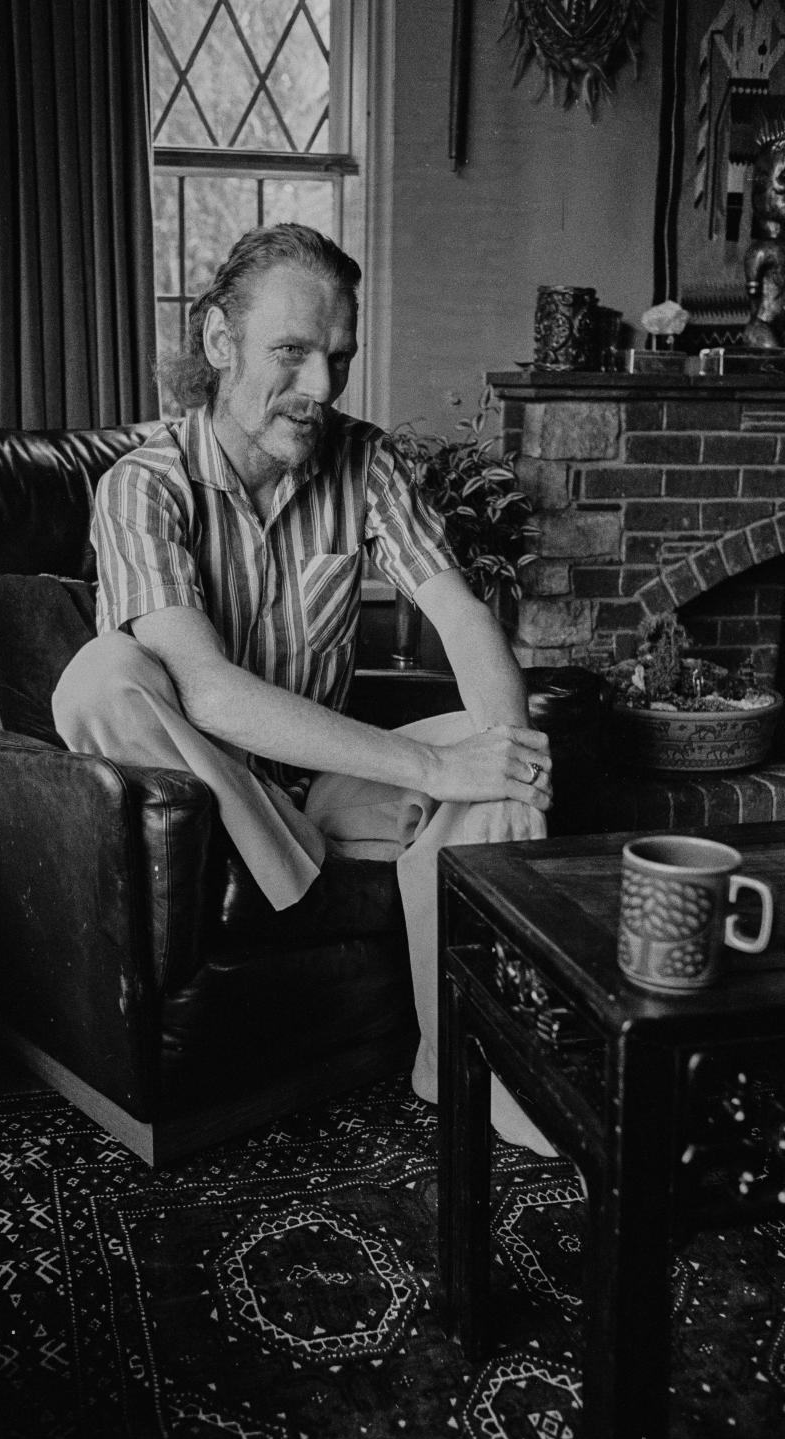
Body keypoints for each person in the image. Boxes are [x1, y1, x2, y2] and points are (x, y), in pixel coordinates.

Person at [52, 223, 554, 1152]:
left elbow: (460, 614)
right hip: (204, 798)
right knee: (103, 675)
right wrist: (432, 769)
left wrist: (510, 764)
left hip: (320, 790)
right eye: (292, 353)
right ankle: (270, 855)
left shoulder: (365, 464)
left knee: (495, 745)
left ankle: (462, 1066)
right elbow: (204, 693)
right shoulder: (143, 487)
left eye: (339, 358)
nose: (321, 388)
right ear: (217, 341)